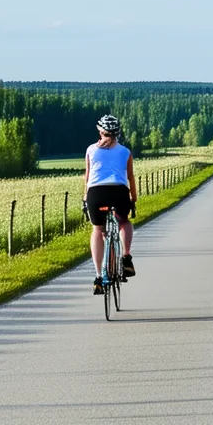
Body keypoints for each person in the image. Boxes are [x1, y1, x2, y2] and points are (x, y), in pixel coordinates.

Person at [83, 114, 137, 295]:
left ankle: (99, 276)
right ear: (117, 133)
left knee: (98, 230)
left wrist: (85, 198)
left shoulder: (90, 150)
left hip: (96, 193)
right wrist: (134, 199)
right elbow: (130, 177)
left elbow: (88, 177)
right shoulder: (125, 151)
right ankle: (126, 257)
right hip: (119, 192)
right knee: (124, 222)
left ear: (100, 131)